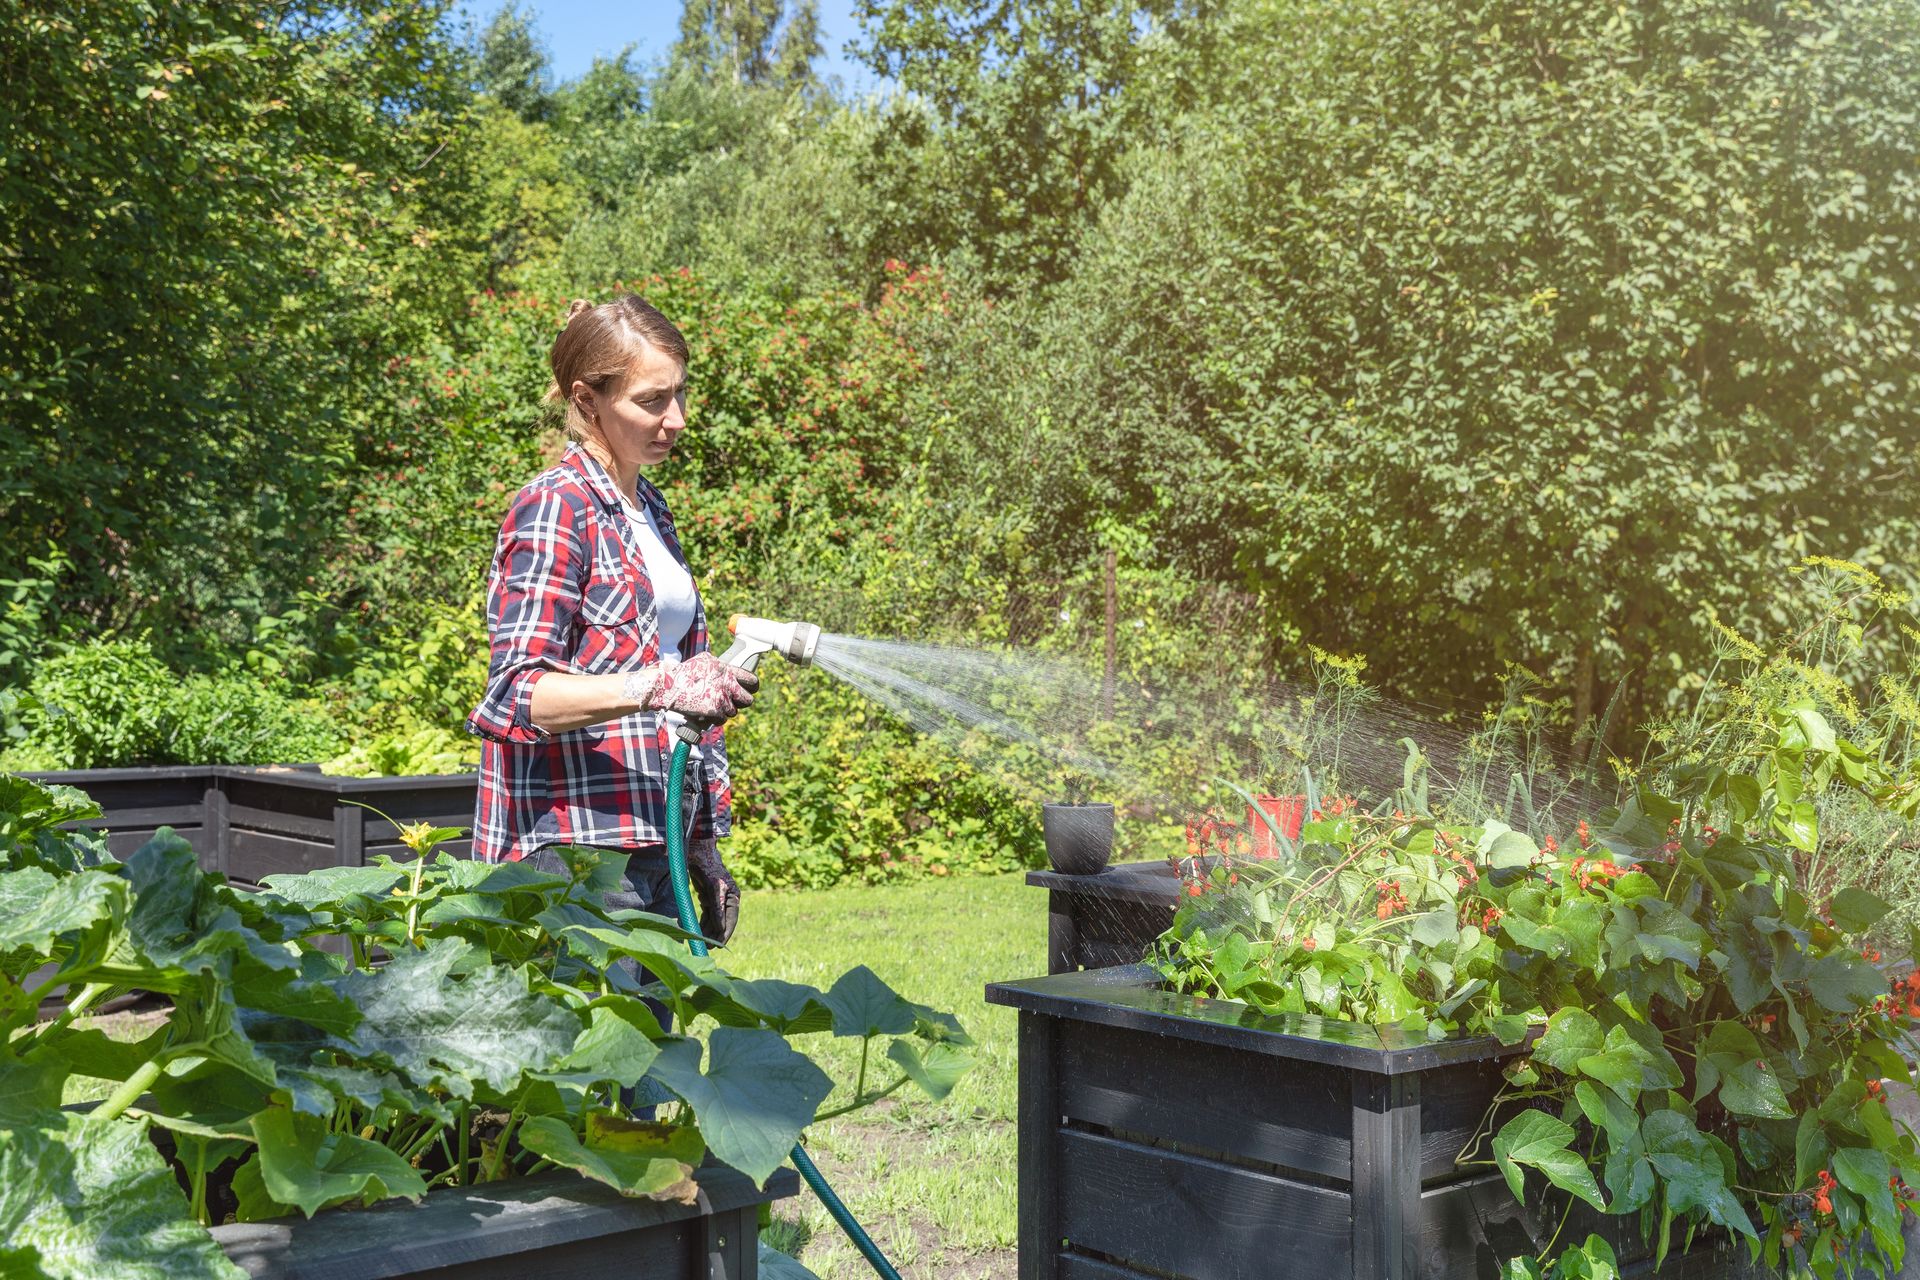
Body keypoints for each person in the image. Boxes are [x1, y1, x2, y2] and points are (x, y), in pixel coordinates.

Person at [466, 293, 756, 954]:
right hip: (571, 854)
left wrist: (700, 844)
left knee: (660, 1050)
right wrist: (655, 686)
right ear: (587, 399)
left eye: (680, 395)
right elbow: (517, 694)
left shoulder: (648, 506)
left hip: (657, 839)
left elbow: (683, 684)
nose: (676, 419)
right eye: (652, 401)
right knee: (594, 1055)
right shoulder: (554, 508)